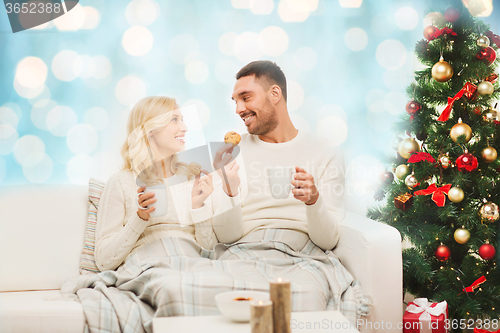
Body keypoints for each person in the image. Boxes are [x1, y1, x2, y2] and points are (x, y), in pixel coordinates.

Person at [212, 60, 345, 251]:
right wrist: (229, 189)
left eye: (246, 98)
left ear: (275, 94)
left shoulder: (325, 152)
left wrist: (313, 200)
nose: (238, 109)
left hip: (302, 254)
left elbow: (328, 241)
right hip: (244, 252)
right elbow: (226, 237)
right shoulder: (230, 154)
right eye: (235, 101)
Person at [94, 96, 217, 271]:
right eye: (174, 120)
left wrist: (199, 208)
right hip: (149, 268)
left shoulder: (193, 180)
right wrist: (140, 218)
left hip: (192, 266)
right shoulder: (121, 182)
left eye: (183, 120)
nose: (185, 128)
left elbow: (210, 252)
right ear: (151, 129)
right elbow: (104, 261)